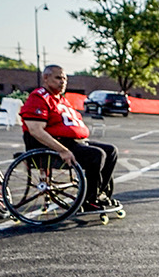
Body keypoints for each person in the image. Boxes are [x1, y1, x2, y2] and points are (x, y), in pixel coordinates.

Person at [19, 65, 120, 211]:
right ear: (46, 78)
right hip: (50, 146)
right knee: (96, 155)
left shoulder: (60, 99)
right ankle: (89, 200)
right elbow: (35, 131)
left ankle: (99, 193)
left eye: (64, 78)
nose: (62, 82)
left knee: (111, 151)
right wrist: (62, 150)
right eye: (58, 78)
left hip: (69, 141)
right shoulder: (38, 98)